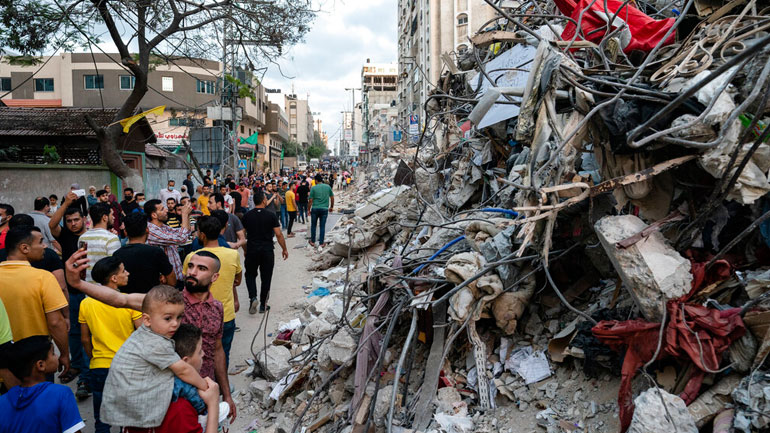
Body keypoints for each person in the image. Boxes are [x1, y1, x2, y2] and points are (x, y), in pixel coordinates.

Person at [100, 285, 209, 430]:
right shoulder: (156, 343)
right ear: (147, 320)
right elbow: (183, 370)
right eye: (168, 318)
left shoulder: (144, 333)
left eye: (179, 317)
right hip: (138, 397)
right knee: (184, 386)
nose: (175, 323)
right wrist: (205, 387)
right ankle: (205, 411)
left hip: (126, 394)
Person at [79, 256, 142, 433]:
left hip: (99, 366)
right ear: (114, 278)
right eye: (123, 270)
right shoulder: (128, 302)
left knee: (101, 419)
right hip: (127, 366)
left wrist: (94, 358)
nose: (127, 273)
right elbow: (142, 333)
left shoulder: (86, 303)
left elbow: (85, 339)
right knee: (128, 419)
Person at [0, 226, 70, 381]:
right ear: (24, 248)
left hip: (4, 367)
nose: (44, 246)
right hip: (36, 365)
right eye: (40, 242)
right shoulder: (42, 278)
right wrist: (64, 354)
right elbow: (55, 322)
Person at [180, 251, 236, 418]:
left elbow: (217, 351)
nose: (192, 272)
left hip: (207, 390)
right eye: (190, 266)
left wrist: (226, 395)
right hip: (177, 394)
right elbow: (123, 301)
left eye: (201, 268)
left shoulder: (217, 308)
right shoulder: (172, 303)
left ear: (214, 277)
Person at [183, 217, 241, 367]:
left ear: (202, 234)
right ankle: (222, 384)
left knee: (197, 354)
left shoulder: (193, 258)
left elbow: (187, 283)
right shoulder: (232, 254)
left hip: (197, 316)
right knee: (223, 352)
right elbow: (237, 281)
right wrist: (235, 298)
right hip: (226, 314)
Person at [49, 193, 91, 393]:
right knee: (73, 330)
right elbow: (51, 226)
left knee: (87, 333)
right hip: (72, 291)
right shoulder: (64, 235)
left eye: (76, 220)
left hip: (91, 291)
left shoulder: (91, 236)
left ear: (84, 219)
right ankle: (76, 365)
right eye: (70, 221)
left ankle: (86, 373)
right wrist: (65, 203)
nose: (73, 223)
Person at [0, 336, 85, 433]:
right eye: (53, 353)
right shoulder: (61, 394)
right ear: (40, 365)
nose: (56, 357)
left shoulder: (2, 402)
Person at [155, 324, 221, 433]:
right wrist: (214, 404)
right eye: (199, 351)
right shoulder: (180, 408)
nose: (203, 354)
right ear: (185, 361)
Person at [242, 189, 288, 314]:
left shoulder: (247, 216)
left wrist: (245, 250)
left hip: (252, 249)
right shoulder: (271, 215)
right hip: (267, 250)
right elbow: (279, 234)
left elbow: (242, 236)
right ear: (264, 200)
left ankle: (253, 297)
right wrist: (284, 249)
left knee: (250, 275)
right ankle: (263, 304)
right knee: (266, 277)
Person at [114, 213, 176, 294]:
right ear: (147, 230)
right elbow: (172, 282)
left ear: (125, 232)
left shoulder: (117, 254)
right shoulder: (156, 252)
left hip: (126, 302)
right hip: (151, 300)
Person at [146, 199, 193, 283]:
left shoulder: (163, 226)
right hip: (168, 281)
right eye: (162, 209)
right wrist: (184, 214)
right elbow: (181, 239)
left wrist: (188, 215)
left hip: (177, 276)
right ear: (154, 215)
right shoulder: (152, 230)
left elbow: (185, 232)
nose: (166, 210)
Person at [79, 202, 120, 282]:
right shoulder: (112, 238)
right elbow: (114, 267)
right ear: (105, 217)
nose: (114, 217)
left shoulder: (82, 237)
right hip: (104, 288)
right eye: (112, 214)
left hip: (87, 287)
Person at [308, 174, 334, 247]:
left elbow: (310, 200)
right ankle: (321, 243)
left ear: (316, 180)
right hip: (324, 209)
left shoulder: (313, 188)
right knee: (322, 226)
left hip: (315, 209)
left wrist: (308, 209)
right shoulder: (328, 187)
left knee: (313, 225)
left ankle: (313, 241)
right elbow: (332, 197)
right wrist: (331, 207)